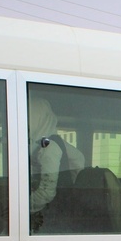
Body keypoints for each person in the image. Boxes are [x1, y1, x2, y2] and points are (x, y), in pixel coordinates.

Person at [28, 98, 85, 232]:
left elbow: (46, 192)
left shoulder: (50, 148)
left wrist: (21, 209)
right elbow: (79, 159)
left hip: (53, 217)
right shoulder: (45, 144)